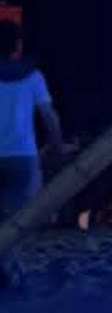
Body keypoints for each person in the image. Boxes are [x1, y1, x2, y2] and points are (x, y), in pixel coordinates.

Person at [0, 19, 63, 282]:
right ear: (18, 45)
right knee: (20, 216)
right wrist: (57, 146)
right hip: (22, 156)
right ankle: (8, 265)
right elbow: (48, 116)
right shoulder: (33, 76)